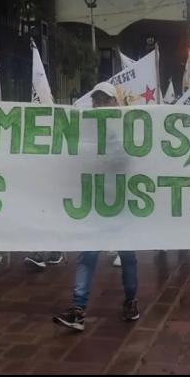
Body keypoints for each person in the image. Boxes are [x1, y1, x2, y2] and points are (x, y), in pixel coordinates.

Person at [53, 82, 139, 331]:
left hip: (121, 204)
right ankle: (78, 309)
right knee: (88, 253)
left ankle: (131, 301)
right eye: (96, 100)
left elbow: (127, 161)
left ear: (115, 103)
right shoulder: (85, 132)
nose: (99, 104)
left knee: (128, 257)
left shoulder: (126, 130)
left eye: (105, 100)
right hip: (96, 203)